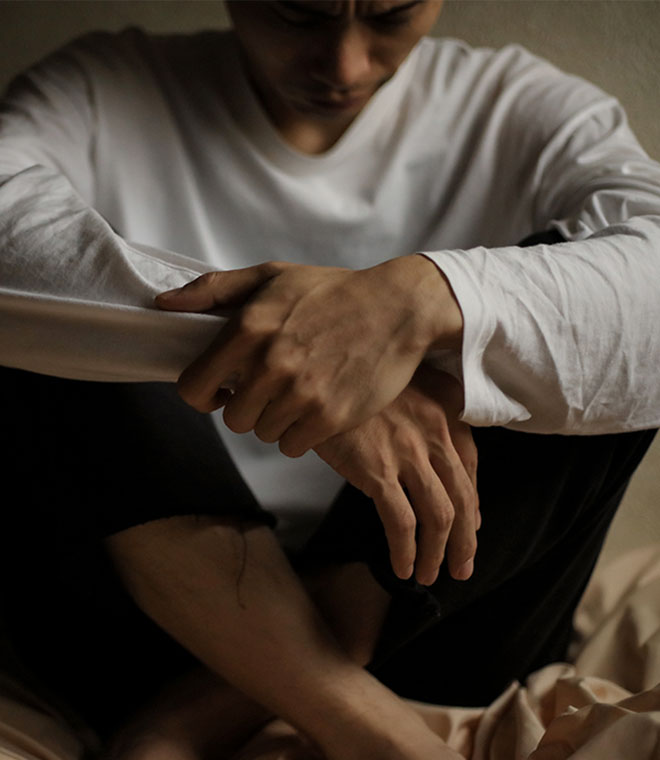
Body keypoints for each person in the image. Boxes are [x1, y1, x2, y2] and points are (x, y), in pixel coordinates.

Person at [1, 1, 659, 758]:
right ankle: (368, 726)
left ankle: (202, 714)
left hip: (443, 627)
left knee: (588, 305)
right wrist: (303, 352)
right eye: (296, 13)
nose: (345, 65)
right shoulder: (101, 87)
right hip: (136, 625)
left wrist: (419, 303)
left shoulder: (519, 107)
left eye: (391, 13)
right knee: (48, 312)